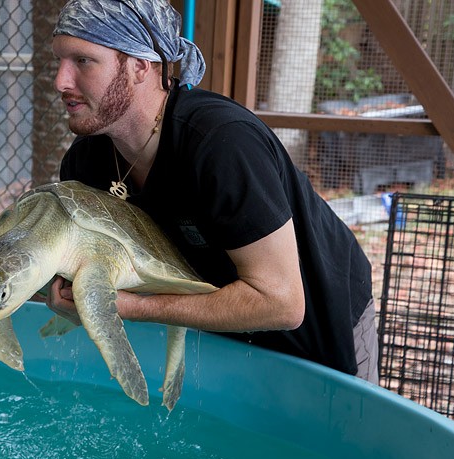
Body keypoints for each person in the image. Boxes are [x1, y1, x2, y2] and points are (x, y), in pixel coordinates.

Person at [47, 0, 378, 383]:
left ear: (140, 66)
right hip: (217, 330)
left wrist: (134, 306)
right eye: (59, 61)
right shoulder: (85, 163)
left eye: (83, 61)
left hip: (316, 327)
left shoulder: (221, 144)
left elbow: (283, 303)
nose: (60, 80)